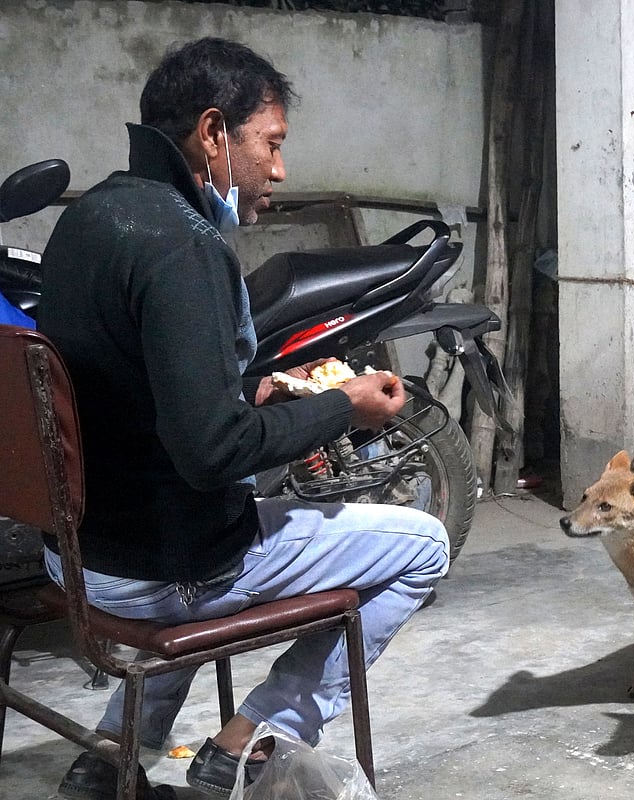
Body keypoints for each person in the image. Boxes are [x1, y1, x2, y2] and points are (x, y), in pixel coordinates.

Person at [37, 37, 450, 799]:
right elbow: (210, 452)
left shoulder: (92, 218)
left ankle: (113, 747)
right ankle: (254, 735)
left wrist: (259, 391)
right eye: (272, 143)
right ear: (214, 133)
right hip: (156, 571)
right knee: (421, 545)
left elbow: (137, 390)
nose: (280, 170)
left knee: (209, 529)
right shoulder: (184, 246)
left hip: (75, 554)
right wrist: (339, 407)